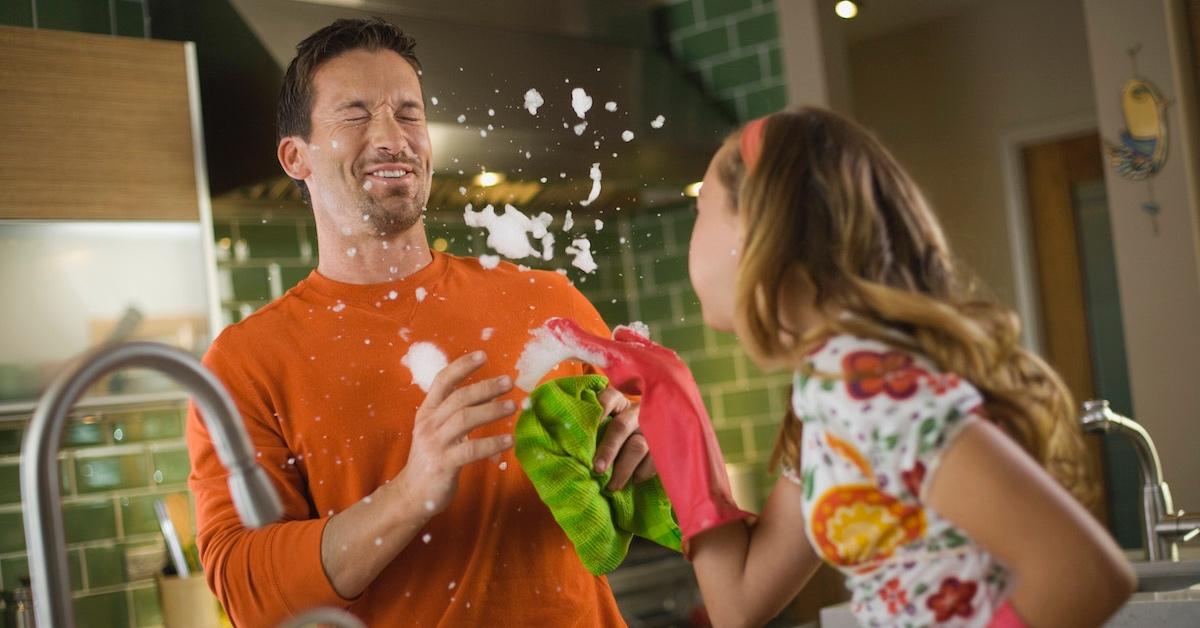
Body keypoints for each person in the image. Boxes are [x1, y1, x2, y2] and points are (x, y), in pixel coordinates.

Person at [547, 107, 1136, 627]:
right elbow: (739, 603)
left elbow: (1085, 574)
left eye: (704, 208)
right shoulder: (827, 392)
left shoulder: (870, 388)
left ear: (758, 230)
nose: (691, 236)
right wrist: (674, 406)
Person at [186, 17, 653, 627]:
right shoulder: (245, 365)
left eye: (408, 113)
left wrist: (650, 437)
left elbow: (658, 458)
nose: (391, 138)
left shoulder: (550, 301)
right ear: (295, 156)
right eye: (355, 115)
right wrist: (412, 493)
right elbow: (249, 594)